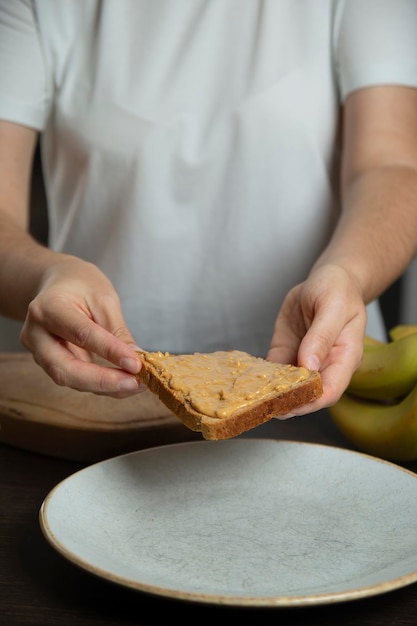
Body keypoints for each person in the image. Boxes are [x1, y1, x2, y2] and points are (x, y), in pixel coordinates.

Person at [0, 0, 416, 418]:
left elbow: (392, 165)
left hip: (325, 390)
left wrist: (349, 273)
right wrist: (46, 276)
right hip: (100, 399)